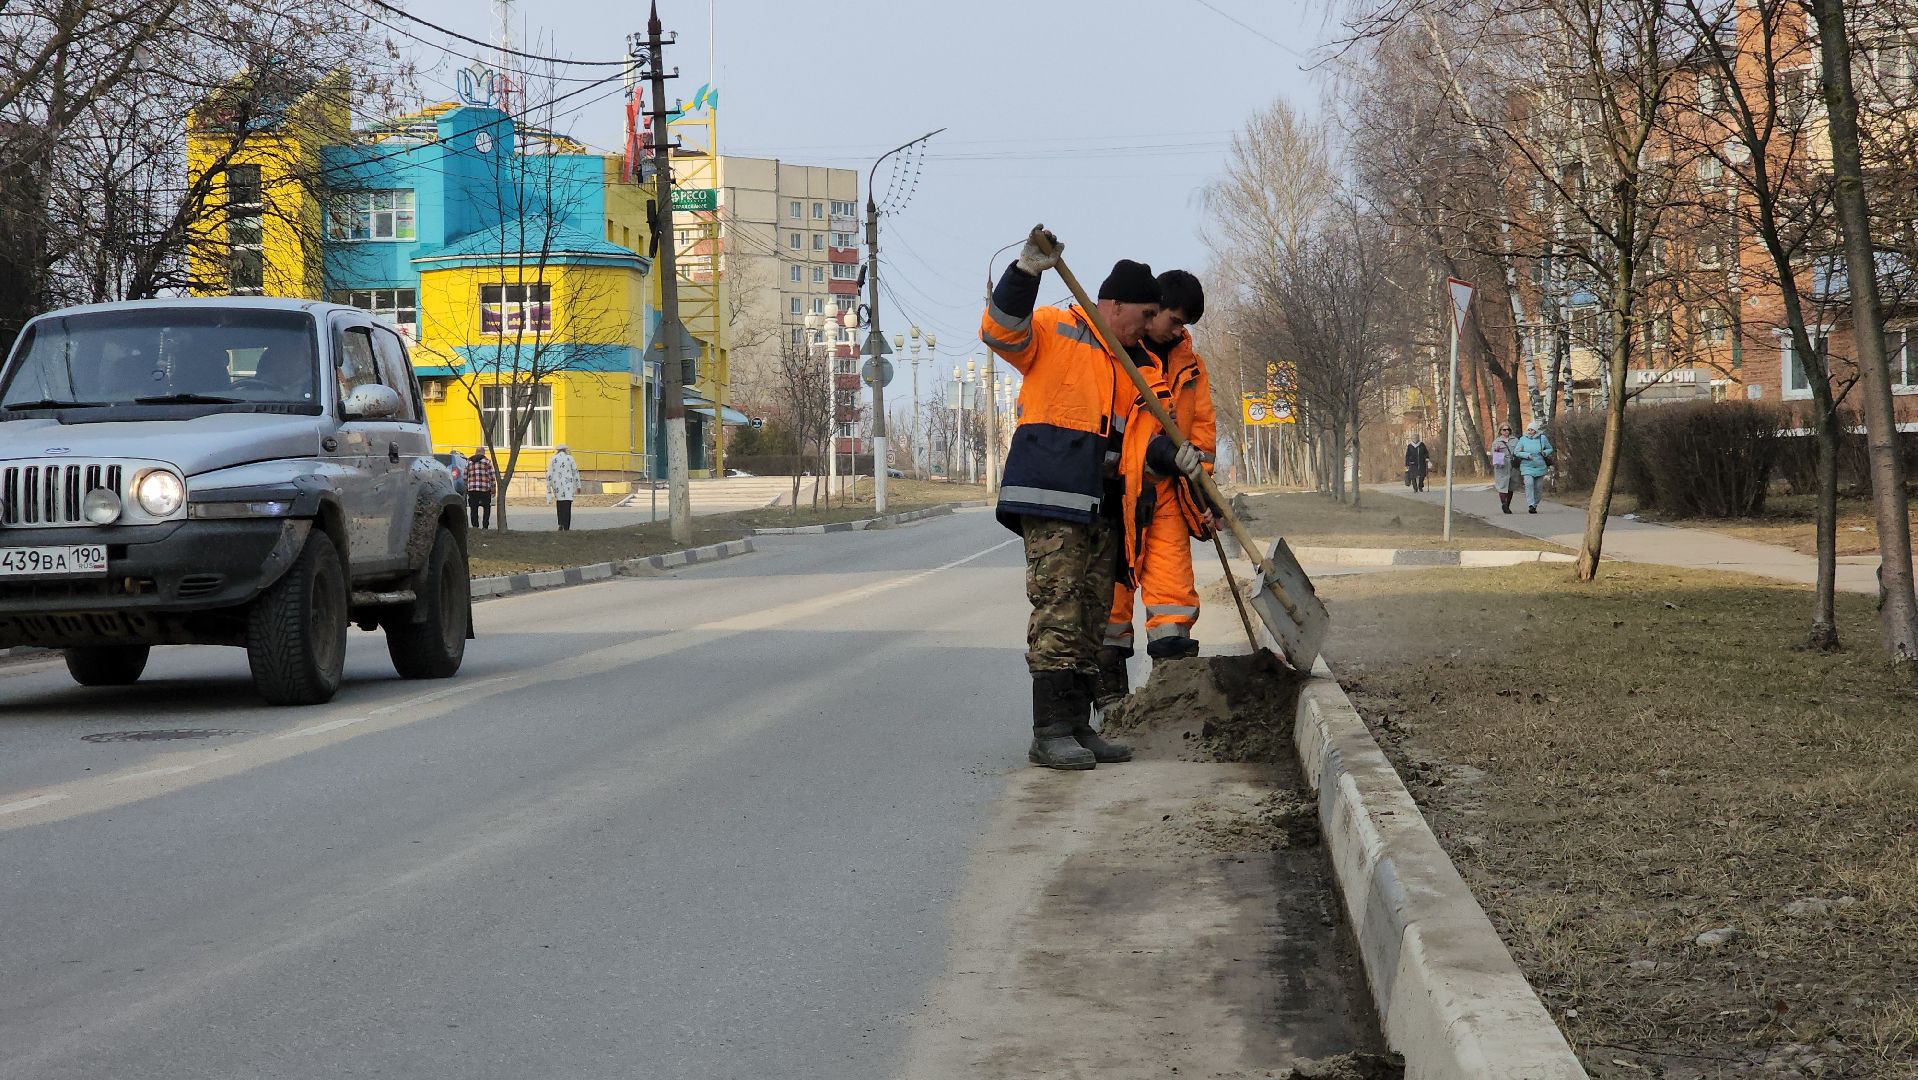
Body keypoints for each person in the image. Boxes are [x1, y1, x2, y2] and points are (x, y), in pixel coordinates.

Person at [981, 229, 1196, 771]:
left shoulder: (1138, 366)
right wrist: (1025, 272)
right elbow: (1000, 333)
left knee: (1092, 618)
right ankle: (1049, 730)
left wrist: (1176, 457)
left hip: (1104, 505)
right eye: (1145, 315)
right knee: (1059, 612)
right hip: (1053, 497)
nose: (1150, 326)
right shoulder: (1057, 329)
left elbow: (1146, 436)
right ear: (1114, 304)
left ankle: (1078, 725)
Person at [1099, 269, 1217, 714]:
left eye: (1186, 323)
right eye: (1173, 318)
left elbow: (1202, 437)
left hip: (1169, 493)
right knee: (1112, 601)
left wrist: (1205, 498)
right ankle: (1112, 706)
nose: (1180, 329)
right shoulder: (1120, 355)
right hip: (1120, 493)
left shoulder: (1192, 365)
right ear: (1151, 311)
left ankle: (1172, 705)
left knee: (1173, 598)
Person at [1513, 421, 1555, 513]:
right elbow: (1516, 452)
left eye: (1532, 430)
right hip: (1527, 466)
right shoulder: (1523, 439)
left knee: (1539, 487)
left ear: (1536, 430)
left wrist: (1544, 452)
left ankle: (1535, 504)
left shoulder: (1542, 438)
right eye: (1528, 430)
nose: (1530, 432)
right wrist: (1526, 455)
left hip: (1540, 466)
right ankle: (1530, 504)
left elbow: (1550, 448)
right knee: (1529, 484)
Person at [546, 444, 580, 531]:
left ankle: (560, 523)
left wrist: (548, 487)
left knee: (560, 503)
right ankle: (566, 525)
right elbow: (575, 472)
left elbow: (549, 473)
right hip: (568, 485)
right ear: (565, 450)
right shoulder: (570, 458)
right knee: (567, 505)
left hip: (557, 484)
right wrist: (578, 485)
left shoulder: (553, 459)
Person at [466, 445, 497, 529]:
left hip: (472, 489)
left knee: (473, 508)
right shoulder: (487, 461)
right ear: (483, 453)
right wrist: (493, 488)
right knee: (487, 508)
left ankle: (475, 526)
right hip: (485, 489)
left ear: (475, 453)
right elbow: (491, 476)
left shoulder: (469, 462)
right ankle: (485, 525)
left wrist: (466, 487)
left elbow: (465, 476)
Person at [1489, 423, 1517, 514]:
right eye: (1504, 430)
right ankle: (1503, 503)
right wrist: (1497, 452)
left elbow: (1519, 451)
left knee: (1511, 486)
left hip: (1512, 465)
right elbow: (1494, 455)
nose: (1506, 431)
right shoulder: (1496, 442)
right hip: (1501, 465)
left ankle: (1507, 506)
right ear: (1500, 431)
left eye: (1507, 429)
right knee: (1502, 485)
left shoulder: (1515, 440)